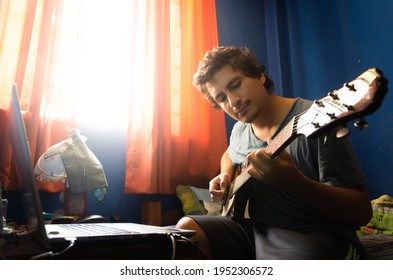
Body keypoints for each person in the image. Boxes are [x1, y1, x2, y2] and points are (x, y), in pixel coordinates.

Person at [176, 46, 372, 259]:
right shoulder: (240, 130)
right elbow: (229, 155)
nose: (233, 102)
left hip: (311, 233)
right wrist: (225, 174)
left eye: (235, 85)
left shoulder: (318, 120)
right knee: (187, 231)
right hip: (253, 230)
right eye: (222, 98)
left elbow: (361, 212)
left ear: (259, 76)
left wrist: (295, 182)